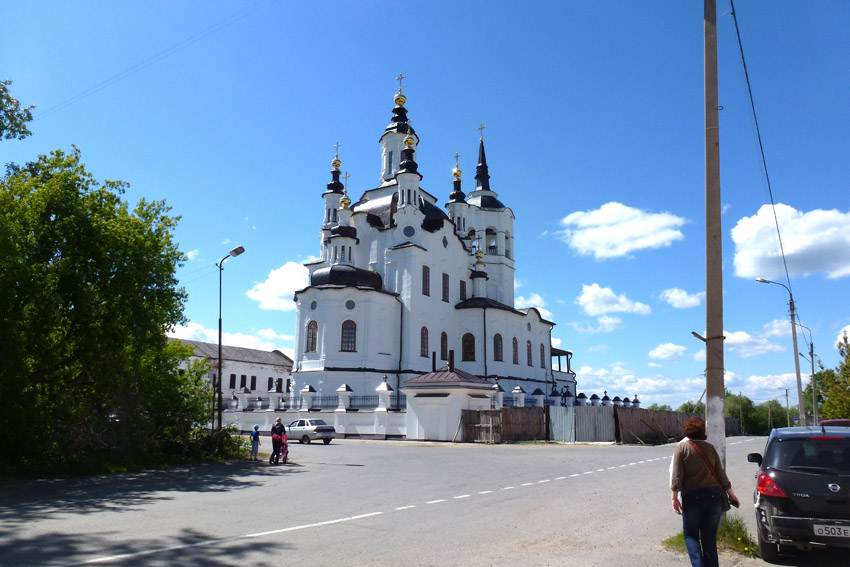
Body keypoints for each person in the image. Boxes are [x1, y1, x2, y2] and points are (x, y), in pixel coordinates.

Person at [670, 416, 740, 567]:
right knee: (709, 539)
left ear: (686, 431)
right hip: (714, 497)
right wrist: (731, 494)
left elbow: (676, 476)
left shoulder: (681, 448)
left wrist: (674, 497)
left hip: (692, 498)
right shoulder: (710, 448)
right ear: (703, 431)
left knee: (691, 536)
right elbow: (721, 474)